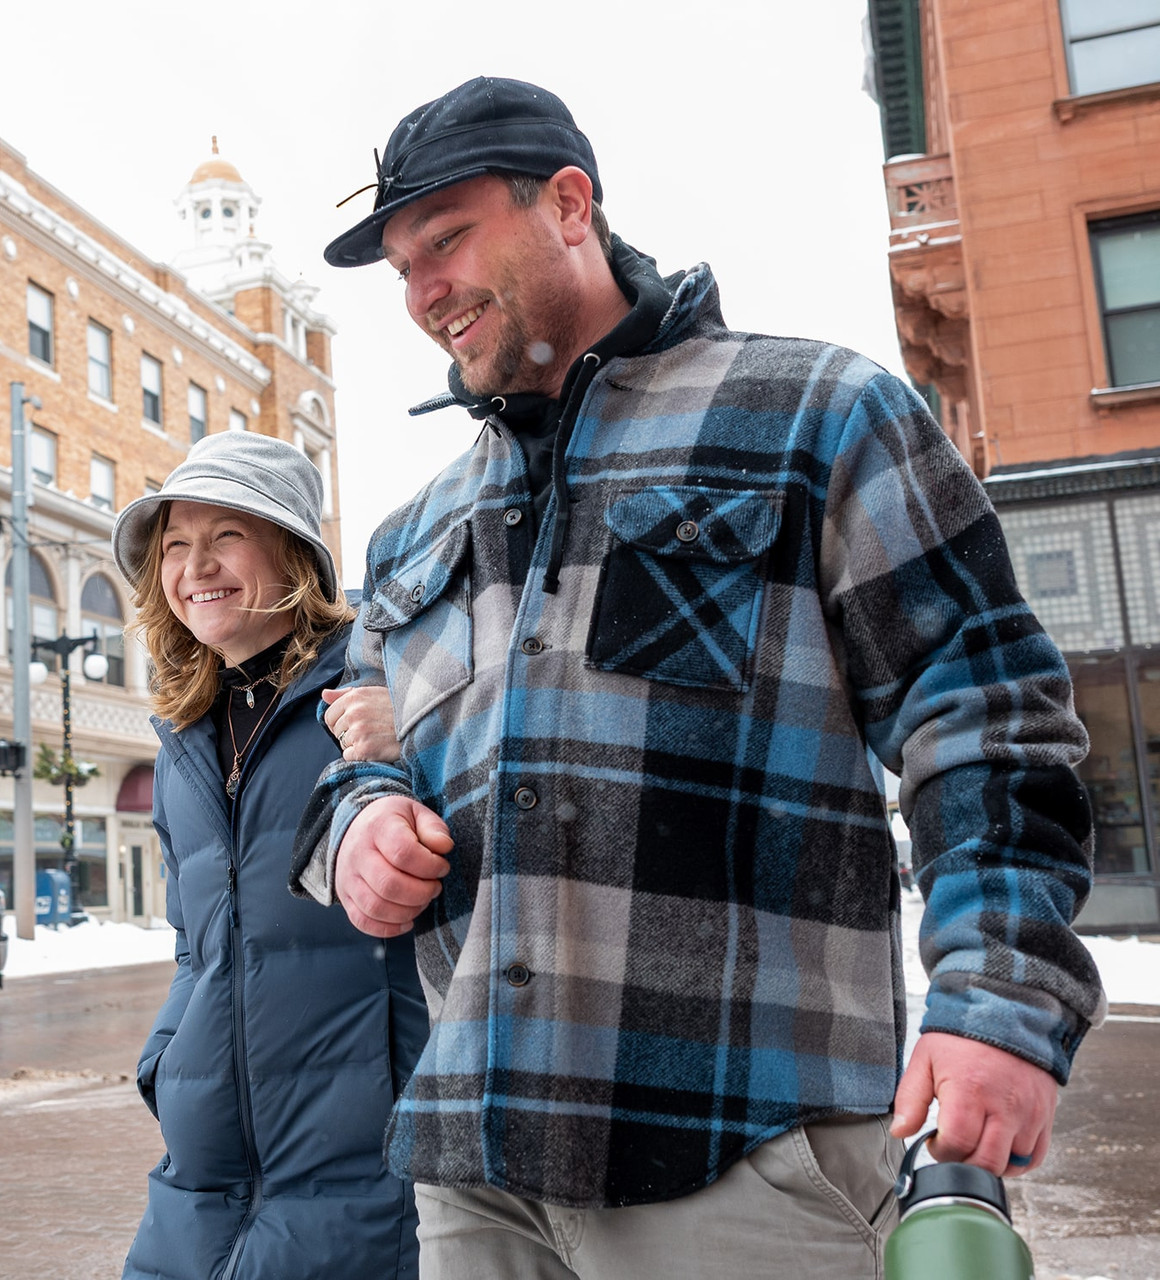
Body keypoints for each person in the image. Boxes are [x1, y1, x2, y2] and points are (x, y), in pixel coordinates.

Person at [290, 77, 1105, 1278]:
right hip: (476, 1181)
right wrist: (356, 828)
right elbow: (354, 762)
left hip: (746, 1152)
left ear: (569, 204)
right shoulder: (414, 533)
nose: (420, 296)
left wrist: (997, 1002)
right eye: (401, 268)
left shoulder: (815, 415)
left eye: (446, 239)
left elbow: (985, 717)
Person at [111, 430, 426, 1280]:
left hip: (366, 1167)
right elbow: (193, 943)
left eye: (226, 536)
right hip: (201, 1176)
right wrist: (166, 1064)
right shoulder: (183, 741)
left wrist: (416, 727)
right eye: (175, 544)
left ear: (293, 554)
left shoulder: (383, 685)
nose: (195, 565)